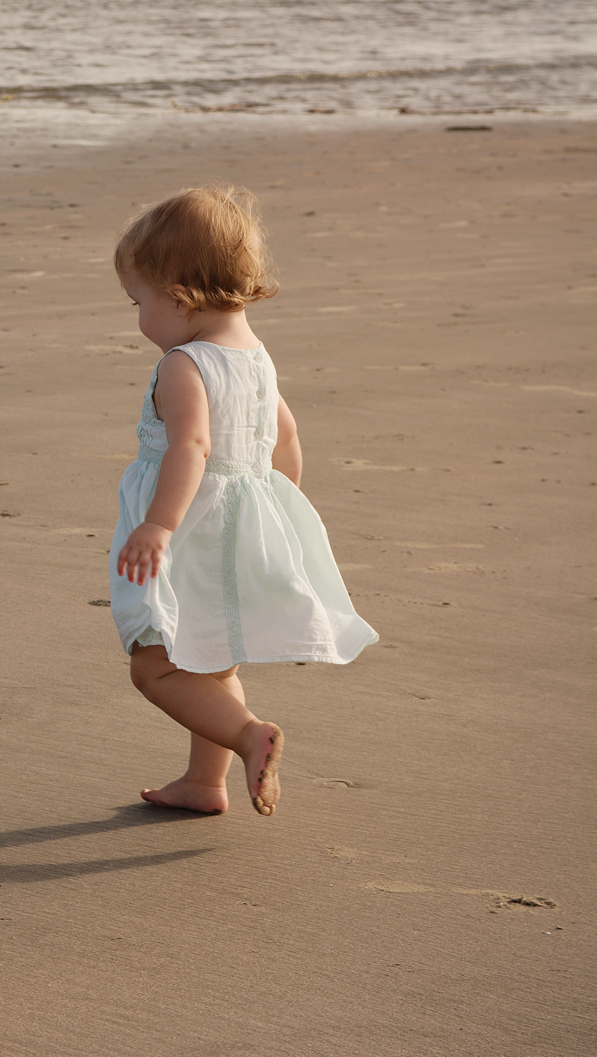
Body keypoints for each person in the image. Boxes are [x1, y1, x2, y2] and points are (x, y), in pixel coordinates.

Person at [109, 186, 377, 817]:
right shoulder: (255, 357)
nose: (138, 317)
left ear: (177, 300)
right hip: (243, 523)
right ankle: (206, 782)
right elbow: (286, 436)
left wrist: (157, 525)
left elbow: (192, 447)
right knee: (211, 656)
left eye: (137, 302)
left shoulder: (184, 364)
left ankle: (247, 734)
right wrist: (282, 507)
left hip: (192, 530)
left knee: (157, 667)